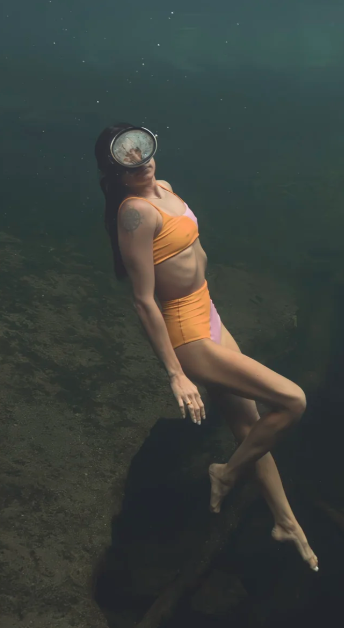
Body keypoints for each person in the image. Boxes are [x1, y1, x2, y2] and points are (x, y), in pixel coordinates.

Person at [94, 123, 318, 571]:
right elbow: (143, 301)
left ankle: (285, 522)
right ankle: (227, 473)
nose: (142, 160)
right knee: (292, 401)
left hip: (207, 312)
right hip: (188, 335)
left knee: (249, 425)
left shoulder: (165, 189)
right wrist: (176, 372)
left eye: (143, 149)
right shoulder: (133, 213)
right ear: (116, 171)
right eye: (128, 158)